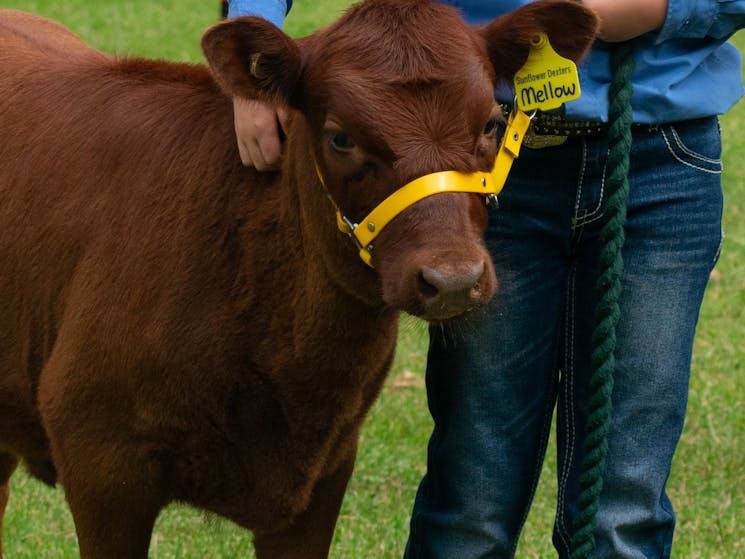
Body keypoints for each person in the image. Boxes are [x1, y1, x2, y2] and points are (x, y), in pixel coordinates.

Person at [224, 0, 745, 557]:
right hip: (468, 152)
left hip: (659, 161)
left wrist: (657, 8)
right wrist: (256, 55)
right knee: (474, 494)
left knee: (624, 508)